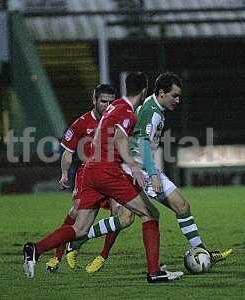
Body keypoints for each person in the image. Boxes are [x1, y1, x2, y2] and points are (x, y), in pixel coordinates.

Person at [23, 72, 184, 283]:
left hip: (90, 169)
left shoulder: (114, 106)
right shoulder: (128, 113)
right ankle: (154, 273)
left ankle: (35, 249)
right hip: (108, 171)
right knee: (151, 214)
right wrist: (135, 168)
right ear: (145, 90)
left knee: (79, 229)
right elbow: (119, 140)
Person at [66, 72, 232, 265]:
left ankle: (201, 251)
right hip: (135, 169)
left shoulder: (155, 108)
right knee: (128, 218)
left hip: (144, 167)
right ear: (162, 93)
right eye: (174, 95)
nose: (177, 100)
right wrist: (153, 175)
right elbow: (144, 142)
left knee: (179, 207)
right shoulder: (151, 111)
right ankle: (79, 240)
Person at [46, 84, 133, 273]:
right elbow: (67, 153)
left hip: (113, 173)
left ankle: (103, 256)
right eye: (103, 101)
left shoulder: (119, 120)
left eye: (111, 102)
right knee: (76, 212)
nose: (107, 105)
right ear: (94, 100)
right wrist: (63, 174)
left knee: (119, 213)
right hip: (89, 175)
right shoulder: (82, 123)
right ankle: (57, 256)